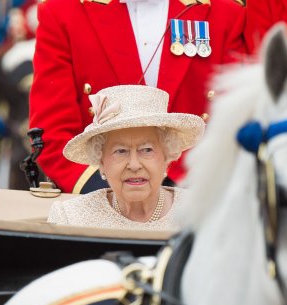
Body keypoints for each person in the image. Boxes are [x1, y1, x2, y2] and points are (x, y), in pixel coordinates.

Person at [30, 0, 245, 194]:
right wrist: (105, 194)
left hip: (193, 196)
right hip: (97, 196)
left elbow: (235, 123)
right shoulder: (62, 12)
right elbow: (51, 131)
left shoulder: (226, 13)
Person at [47, 85, 204, 230]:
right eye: (121, 151)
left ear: (166, 156)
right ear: (101, 161)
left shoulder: (201, 212)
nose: (134, 165)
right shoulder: (70, 218)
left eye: (147, 150)